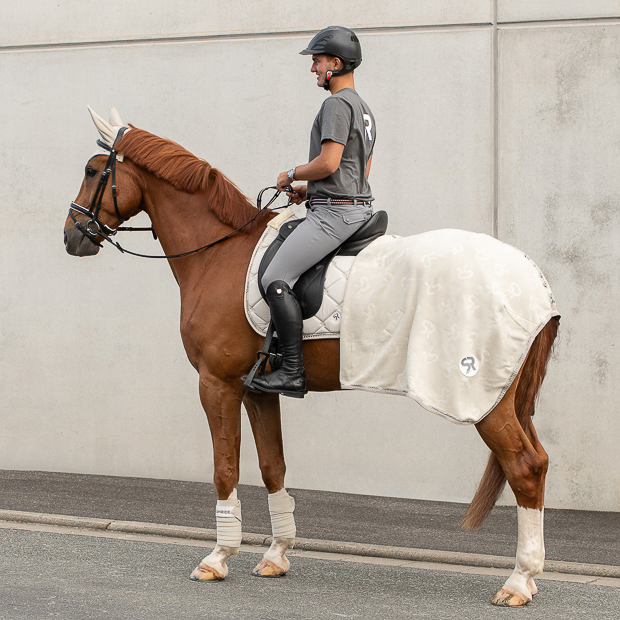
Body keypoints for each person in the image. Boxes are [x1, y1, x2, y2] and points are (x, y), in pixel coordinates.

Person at [248, 25, 376, 398]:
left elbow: (330, 161)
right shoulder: (364, 109)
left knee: (275, 276)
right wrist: (311, 190)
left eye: (317, 62)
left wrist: (291, 175)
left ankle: (291, 371)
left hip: (336, 215)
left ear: (335, 64)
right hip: (354, 206)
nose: (313, 69)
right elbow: (360, 170)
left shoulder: (335, 104)